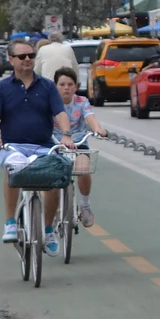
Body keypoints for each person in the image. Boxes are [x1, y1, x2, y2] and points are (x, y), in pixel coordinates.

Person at [0, 38, 74, 252]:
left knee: (53, 175)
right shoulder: (1, 88)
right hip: (14, 145)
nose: (27, 60)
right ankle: (10, 223)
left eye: (31, 56)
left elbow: (60, 113)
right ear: (11, 59)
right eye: (22, 56)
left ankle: (49, 229)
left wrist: (67, 135)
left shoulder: (47, 86)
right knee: (12, 169)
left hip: (43, 146)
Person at [52, 67, 109, 226]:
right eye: (62, 84)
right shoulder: (49, 102)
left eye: (70, 84)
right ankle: (55, 209)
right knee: (51, 176)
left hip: (78, 143)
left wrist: (98, 129)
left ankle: (85, 206)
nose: (66, 88)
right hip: (55, 144)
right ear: (55, 86)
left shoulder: (82, 102)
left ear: (76, 87)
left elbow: (90, 117)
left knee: (84, 169)